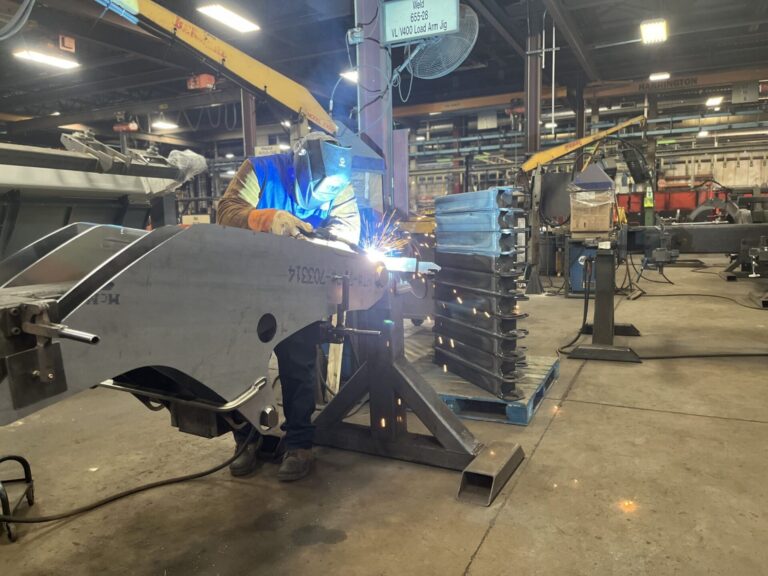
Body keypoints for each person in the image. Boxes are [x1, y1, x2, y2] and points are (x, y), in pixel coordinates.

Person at [216, 132, 360, 481]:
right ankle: (246, 441)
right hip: (248, 288)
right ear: (300, 165)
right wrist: (270, 219)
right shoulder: (260, 170)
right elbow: (226, 212)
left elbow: (348, 231)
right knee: (242, 368)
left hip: (297, 291)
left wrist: (324, 241)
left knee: (297, 367)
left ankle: (299, 445)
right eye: (319, 184)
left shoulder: (340, 186)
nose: (326, 192)